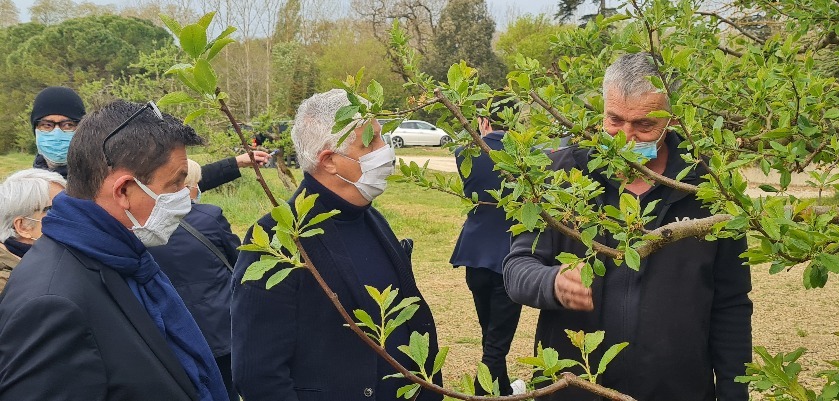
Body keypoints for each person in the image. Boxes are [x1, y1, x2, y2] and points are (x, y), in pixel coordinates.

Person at [503, 52, 753, 401]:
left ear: (671, 120)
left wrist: (734, 393)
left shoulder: (710, 189)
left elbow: (731, 303)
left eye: (644, 125)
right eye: (615, 120)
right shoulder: (557, 176)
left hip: (676, 391)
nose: (625, 137)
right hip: (575, 389)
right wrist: (551, 282)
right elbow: (516, 268)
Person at [0, 100, 229, 401]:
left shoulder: (122, 258)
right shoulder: (53, 304)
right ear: (123, 191)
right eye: (175, 185)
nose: (184, 199)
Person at [231, 89, 442, 400]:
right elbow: (258, 374)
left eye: (381, 138)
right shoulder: (279, 237)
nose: (385, 151)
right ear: (329, 161)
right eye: (370, 142)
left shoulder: (369, 217)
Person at [29, 86, 271, 190]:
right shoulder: (27, 190)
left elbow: (174, 183)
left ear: (82, 128)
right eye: (47, 125)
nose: (56, 133)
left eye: (68, 125)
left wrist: (235, 163)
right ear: (36, 129)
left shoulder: (107, 169)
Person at [150, 159, 240, 399]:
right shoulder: (210, 216)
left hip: (175, 330)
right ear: (189, 186)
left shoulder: (146, 227)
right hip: (221, 326)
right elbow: (238, 261)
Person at [449, 99, 521, 395]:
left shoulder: (464, 153)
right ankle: (483, 392)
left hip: (475, 254)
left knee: (490, 333)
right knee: (496, 343)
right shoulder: (526, 155)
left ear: (483, 121)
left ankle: (502, 389)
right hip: (510, 255)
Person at [0, 169, 66, 291]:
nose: (70, 214)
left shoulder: (50, 258)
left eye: (69, 204)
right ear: (23, 226)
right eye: (56, 208)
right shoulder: (8, 287)